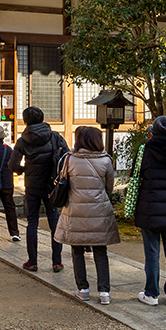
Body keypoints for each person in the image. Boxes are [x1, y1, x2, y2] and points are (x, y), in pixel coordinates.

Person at [53, 126, 119, 304]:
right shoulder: (106, 160)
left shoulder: (69, 159)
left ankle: (83, 289)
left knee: (77, 250)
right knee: (100, 251)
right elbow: (109, 188)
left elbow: (64, 183)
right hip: (99, 210)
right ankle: (104, 292)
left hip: (75, 210)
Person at [132, 115, 166, 307]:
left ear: (153, 132)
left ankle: (151, 293)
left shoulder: (144, 151)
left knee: (152, 253)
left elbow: (136, 177)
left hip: (150, 210)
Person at [9, 106, 68, 272]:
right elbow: (67, 156)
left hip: (32, 185)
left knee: (32, 222)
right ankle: (57, 261)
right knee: (54, 220)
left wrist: (24, 171)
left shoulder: (22, 140)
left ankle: (32, 261)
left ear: (25, 121)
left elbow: (12, 164)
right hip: (52, 184)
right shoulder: (54, 136)